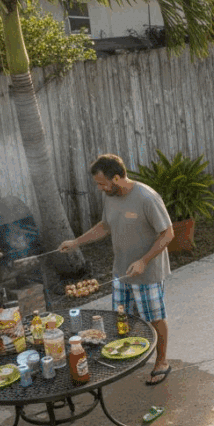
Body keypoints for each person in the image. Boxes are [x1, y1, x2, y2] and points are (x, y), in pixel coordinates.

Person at [59, 154, 175, 386]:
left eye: (102, 183)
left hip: (148, 274)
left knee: (154, 318)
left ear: (116, 177)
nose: (99, 188)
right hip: (121, 272)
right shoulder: (110, 197)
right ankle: (132, 357)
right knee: (124, 318)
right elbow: (104, 226)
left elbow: (168, 233)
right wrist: (76, 242)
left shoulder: (146, 197)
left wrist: (144, 260)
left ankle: (161, 361)